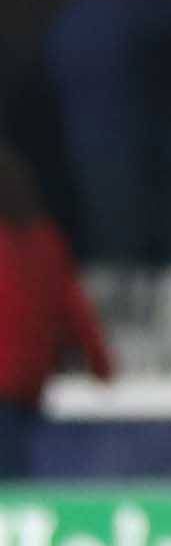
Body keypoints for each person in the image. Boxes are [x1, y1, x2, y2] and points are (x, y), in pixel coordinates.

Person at [0, 146, 114, 479]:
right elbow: (75, 311)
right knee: (15, 488)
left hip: (13, 391)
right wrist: (101, 367)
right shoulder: (47, 242)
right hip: (27, 388)